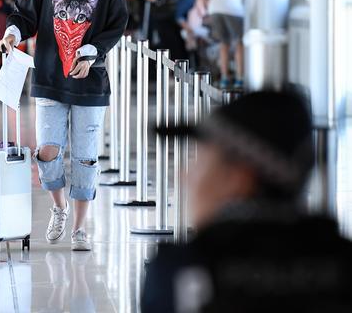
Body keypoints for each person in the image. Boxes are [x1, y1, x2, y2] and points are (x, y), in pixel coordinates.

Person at [142, 90, 352, 312]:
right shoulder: (342, 265)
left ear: (238, 178)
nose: (184, 176)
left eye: (200, 162)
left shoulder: (184, 271)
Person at [0, 0, 128, 251]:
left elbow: (116, 26)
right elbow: (24, 12)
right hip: (50, 78)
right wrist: (13, 33)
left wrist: (91, 53)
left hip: (90, 81)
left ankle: (81, 229)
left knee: (86, 156)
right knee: (47, 151)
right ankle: (59, 207)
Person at [209, 0, 245, 89]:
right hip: (233, 9)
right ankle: (240, 79)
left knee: (224, 44)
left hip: (214, 9)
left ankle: (224, 79)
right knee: (239, 43)